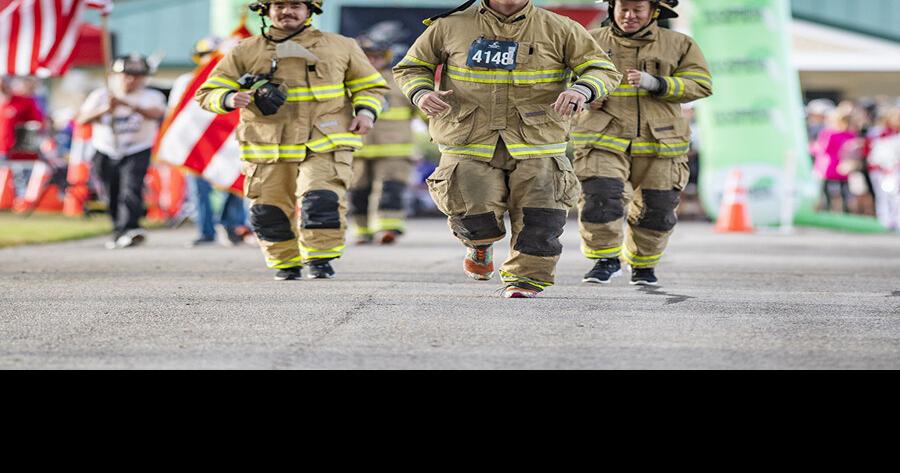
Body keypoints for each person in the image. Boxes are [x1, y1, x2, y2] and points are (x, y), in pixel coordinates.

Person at [394, 0, 622, 299]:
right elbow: (411, 67)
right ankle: (479, 246)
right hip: (469, 137)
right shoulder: (450, 25)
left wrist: (582, 89)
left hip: (539, 140)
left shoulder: (561, 27)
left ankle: (526, 279)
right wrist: (421, 92)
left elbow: (601, 68)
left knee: (542, 214)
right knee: (472, 211)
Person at [196, 0, 389, 280]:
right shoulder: (245, 50)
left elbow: (370, 86)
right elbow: (208, 91)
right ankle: (285, 263)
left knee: (320, 200)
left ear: (310, 10)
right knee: (268, 209)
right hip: (267, 145)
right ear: (266, 10)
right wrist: (227, 97)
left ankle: (320, 261)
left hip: (325, 142)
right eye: (280, 5)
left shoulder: (341, 46)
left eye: (296, 5)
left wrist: (367, 112)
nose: (287, 11)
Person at [572, 0, 712, 287]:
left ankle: (643, 265)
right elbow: (561, 77)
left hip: (661, 141)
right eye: (623, 9)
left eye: (638, 10)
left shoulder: (680, 44)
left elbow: (702, 83)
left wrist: (658, 83)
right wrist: (585, 93)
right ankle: (605, 260)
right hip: (602, 137)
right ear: (612, 8)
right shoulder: (590, 39)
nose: (629, 16)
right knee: (601, 197)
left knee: (657, 208)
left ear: (654, 12)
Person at [76, 55, 167, 249]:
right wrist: (104, 109)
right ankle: (119, 229)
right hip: (105, 149)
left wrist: (127, 104)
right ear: (115, 75)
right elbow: (82, 119)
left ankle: (131, 228)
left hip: (137, 148)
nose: (131, 80)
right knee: (111, 191)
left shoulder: (151, 95)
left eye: (137, 76)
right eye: (126, 75)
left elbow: (157, 113)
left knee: (131, 188)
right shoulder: (101, 95)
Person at [170, 37, 252, 248]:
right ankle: (205, 231)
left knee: (233, 184)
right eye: (208, 55)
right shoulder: (185, 81)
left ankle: (229, 224)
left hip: (228, 143)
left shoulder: (236, 81)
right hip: (196, 143)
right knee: (199, 190)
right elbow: (175, 116)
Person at [350, 26, 416, 245]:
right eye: (367, 56)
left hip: (395, 149)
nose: (372, 61)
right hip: (358, 148)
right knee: (359, 191)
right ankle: (362, 230)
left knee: (391, 187)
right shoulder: (350, 81)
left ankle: (388, 229)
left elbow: (423, 112)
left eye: (377, 56)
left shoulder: (400, 80)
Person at [0, 77, 47, 195]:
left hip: (17, 149)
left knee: (20, 177)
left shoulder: (24, 101)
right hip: (3, 147)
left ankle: (20, 199)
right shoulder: (4, 102)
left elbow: (38, 123)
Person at [812, 108, 857, 213]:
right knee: (840, 190)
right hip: (837, 166)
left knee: (831, 190)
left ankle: (831, 211)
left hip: (832, 166)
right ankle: (841, 212)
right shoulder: (847, 134)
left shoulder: (830, 134)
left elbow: (822, 149)